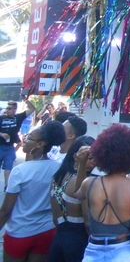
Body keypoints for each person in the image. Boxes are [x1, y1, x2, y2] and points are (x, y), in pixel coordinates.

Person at [74, 124, 130, 261]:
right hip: (123, 251)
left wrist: (81, 165)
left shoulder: (89, 183)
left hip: (93, 250)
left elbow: (77, 194)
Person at [0, 121, 66, 262]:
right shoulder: (58, 168)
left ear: (41, 144)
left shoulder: (20, 171)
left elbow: (6, 210)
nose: (25, 140)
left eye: (29, 138)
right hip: (46, 231)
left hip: (19, 232)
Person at [48, 136, 96, 262]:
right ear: (76, 156)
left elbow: (55, 215)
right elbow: (88, 221)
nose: (94, 162)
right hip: (79, 241)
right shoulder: (82, 182)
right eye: (90, 158)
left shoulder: (58, 176)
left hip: (59, 237)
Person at [0, 99, 36, 190]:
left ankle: (7, 186)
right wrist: (1, 134)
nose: (8, 110)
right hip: (0, 145)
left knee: (8, 167)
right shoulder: (1, 118)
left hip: (10, 147)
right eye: (7, 108)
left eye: (10, 108)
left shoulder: (18, 117)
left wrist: (26, 99)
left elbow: (32, 109)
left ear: (15, 110)